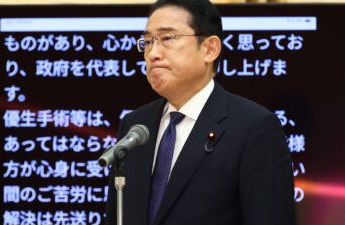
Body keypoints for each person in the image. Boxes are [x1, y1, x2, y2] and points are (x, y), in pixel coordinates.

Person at [105, 0, 296, 225]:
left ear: (210, 49)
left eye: (167, 38)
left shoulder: (254, 128)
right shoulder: (136, 125)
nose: (153, 53)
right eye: (147, 41)